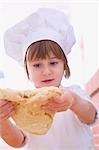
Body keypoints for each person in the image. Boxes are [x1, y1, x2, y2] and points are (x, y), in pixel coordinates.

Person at [0, 8, 97, 150]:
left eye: (53, 63)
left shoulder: (73, 92)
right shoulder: (23, 103)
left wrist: (74, 101)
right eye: (37, 65)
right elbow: (18, 141)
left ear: (64, 65)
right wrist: (2, 120)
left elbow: (90, 116)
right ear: (27, 69)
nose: (46, 71)